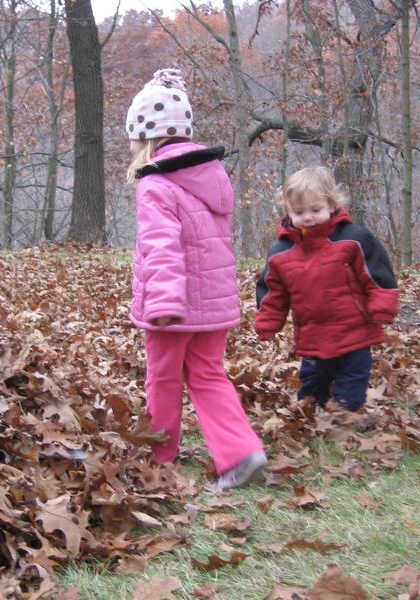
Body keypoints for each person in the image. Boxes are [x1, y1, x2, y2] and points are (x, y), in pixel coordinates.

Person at [125, 68, 266, 491]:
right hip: (214, 305)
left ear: (148, 138)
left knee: (163, 378)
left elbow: (162, 246)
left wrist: (164, 302)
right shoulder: (211, 177)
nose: (129, 146)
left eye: (132, 137)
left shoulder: (155, 183)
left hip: (174, 306)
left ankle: (159, 457)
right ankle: (241, 454)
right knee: (208, 375)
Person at [255, 166, 399, 412]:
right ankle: (312, 413)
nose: (308, 217)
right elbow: (274, 293)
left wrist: (382, 306)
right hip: (313, 332)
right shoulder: (281, 253)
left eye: (315, 210)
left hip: (355, 329)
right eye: (299, 212)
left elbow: (376, 274)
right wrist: (268, 322)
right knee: (313, 382)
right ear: (288, 211)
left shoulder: (354, 239)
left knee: (352, 381)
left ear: (332, 205)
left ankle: (343, 416)